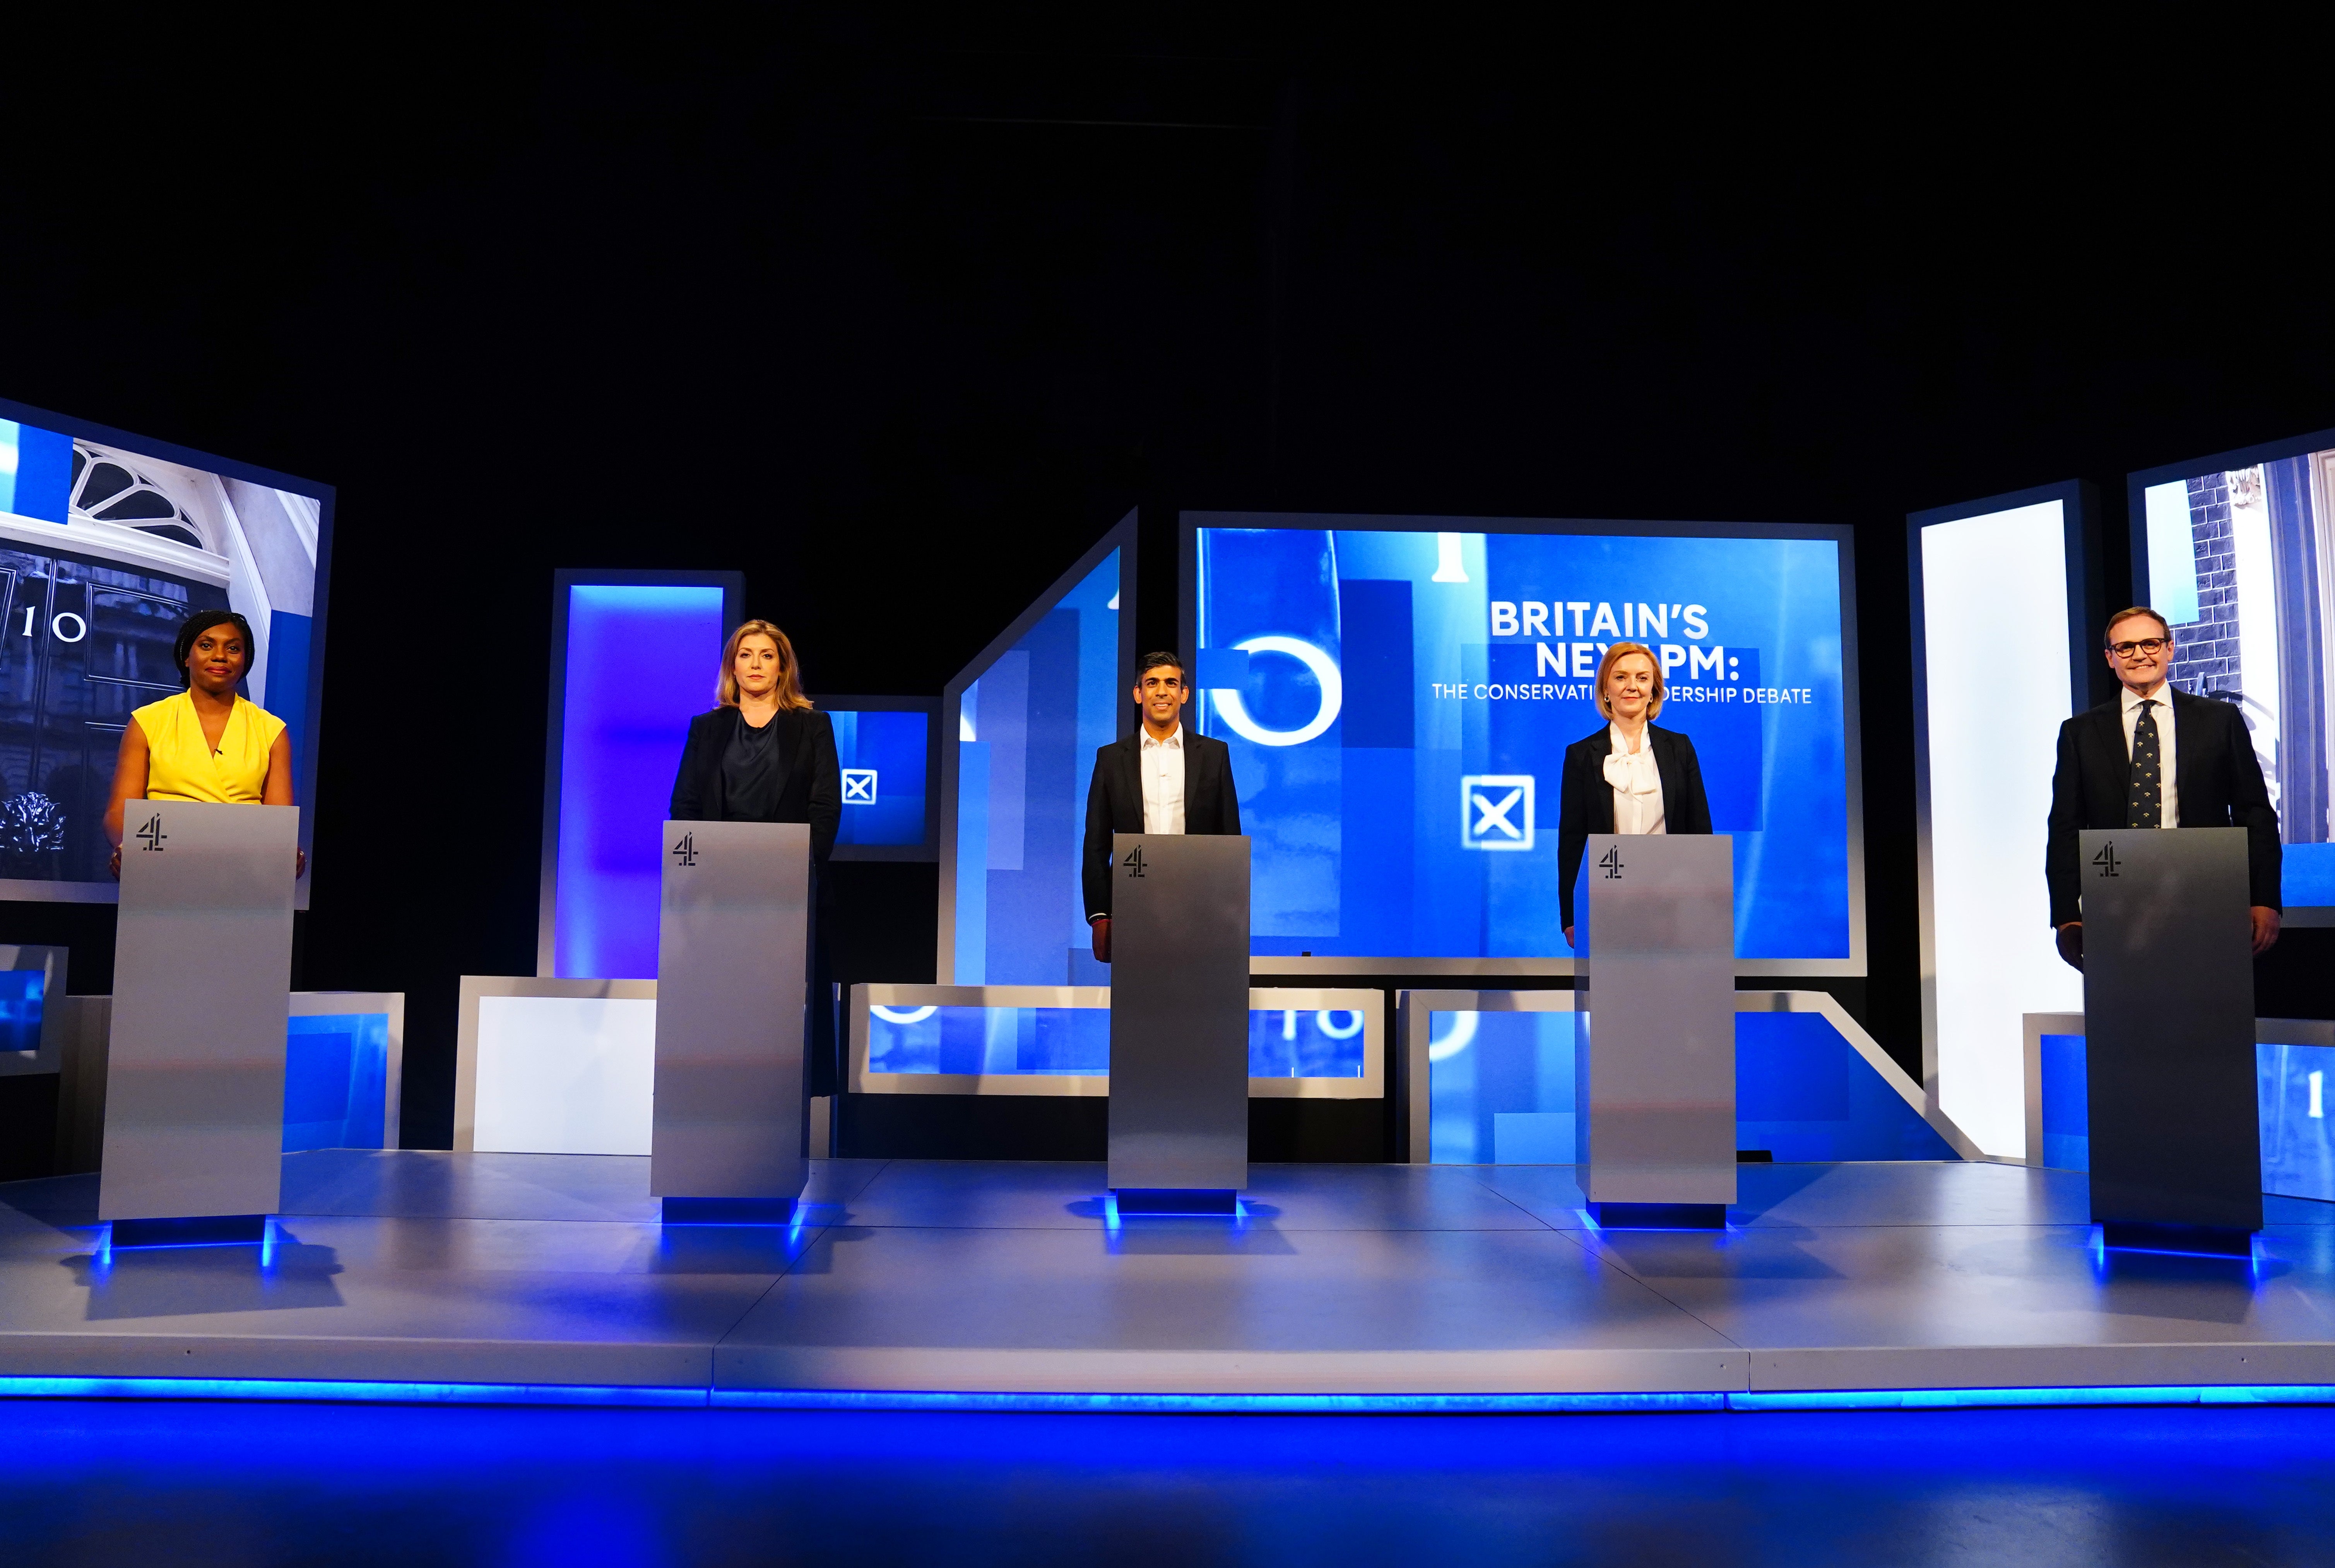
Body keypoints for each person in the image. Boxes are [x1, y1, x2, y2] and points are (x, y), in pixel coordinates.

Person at [2046, 607, 2281, 970]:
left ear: (2169, 649)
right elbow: (2064, 829)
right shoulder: (2079, 733)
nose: (2140, 654)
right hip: (2115, 904)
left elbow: (2255, 813)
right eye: (2125, 647)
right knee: (2128, 1020)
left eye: (2151, 643)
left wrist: (2265, 898)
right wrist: (2066, 915)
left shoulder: (2219, 721)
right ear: (2109, 658)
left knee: (2210, 1016)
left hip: (2208, 894)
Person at [669, 619, 844, 1089]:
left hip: (787, 894)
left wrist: (800, 871)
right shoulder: (707, 728)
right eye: (746, 654)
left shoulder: (811, 726)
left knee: (782, 1006)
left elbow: (824, 805)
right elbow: (686, 803)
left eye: (767, 655)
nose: (755, 665)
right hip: (717, 896)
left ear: (783, 666)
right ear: (732, 665)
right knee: (722, 1003)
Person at [103, 609, 302, 878]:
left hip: (245, 873)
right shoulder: (147, 721)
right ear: (187, 656)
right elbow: (118, 812)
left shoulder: (271, 730)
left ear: (245, 661)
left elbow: (279, 821)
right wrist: (127, 847)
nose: (220, 655)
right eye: (207, 645)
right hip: (163, 869)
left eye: (233, 648)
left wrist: (289, 852)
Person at [1080, 651, 1242, 963]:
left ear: (1183, 693)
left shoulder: (1214, 754)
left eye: (1171, 683)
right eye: (1152, 683)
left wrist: (1231, 911)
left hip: (1202, 906)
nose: (1162, 691)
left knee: (1198, 1002)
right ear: (1138, 693)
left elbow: (1229, 841)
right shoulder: (1111, 759)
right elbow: (1096, 845)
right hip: (1133, 905)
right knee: (1140, 1003)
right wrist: (1099, 916)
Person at [1557, 641, 1713, 946]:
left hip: (1674, 904)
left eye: (1642, 678)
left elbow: (1700, 831)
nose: (1632, 686)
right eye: (1621, 677)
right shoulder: (1580, 755)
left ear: (1654, 689)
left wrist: (1706, 902)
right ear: (1605, 688)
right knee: (1615, 992)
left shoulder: (1679, 748)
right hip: (1608, 901)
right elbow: (1572, 841)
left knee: (1672, 990)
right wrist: (1570, 916)